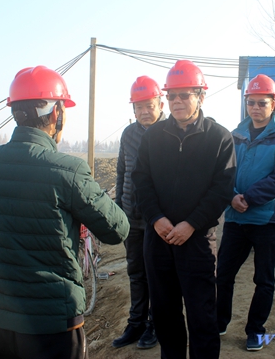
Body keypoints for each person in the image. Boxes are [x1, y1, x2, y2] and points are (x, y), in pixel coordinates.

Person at [0, 66, 130, 359]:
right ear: (57, 113)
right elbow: (118, 230)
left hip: (2, 321)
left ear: (14, 112)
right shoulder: (68, 170)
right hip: (54, 323)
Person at [131, 60, 236, 359]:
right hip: (159, 239)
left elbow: (222, 189)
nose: (176, 101)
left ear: (201, 96)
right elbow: (141, 181)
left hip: (197, 241)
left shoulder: (219, 138)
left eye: (184, 95)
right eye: (172, 95)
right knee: (165, 314)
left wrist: (191, 224)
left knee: (202, 315)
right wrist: (156, 218)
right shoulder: (153, 137)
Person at [216, 74, 275, 351]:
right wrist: (231, 197)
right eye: (250, 102)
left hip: (267, 221)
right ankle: (219, 321)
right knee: (223, 274)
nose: (255, 108)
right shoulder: (235, 135)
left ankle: (255, 330)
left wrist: (248, 198)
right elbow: (222, 172)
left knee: (263, 280)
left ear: (273, 103)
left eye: (261, 103)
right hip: (236, 219)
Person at [112, 76, 166, 349]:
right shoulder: (128, 134)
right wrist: (119, 207)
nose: (144, 111)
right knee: (135, 272)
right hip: (131, 218)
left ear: (160, 104)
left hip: (158, 220)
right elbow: (122, 171)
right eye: (138, 107)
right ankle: (136, 323)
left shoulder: (170, 132)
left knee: (156, 273)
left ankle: (155, 324)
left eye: (149, 105)